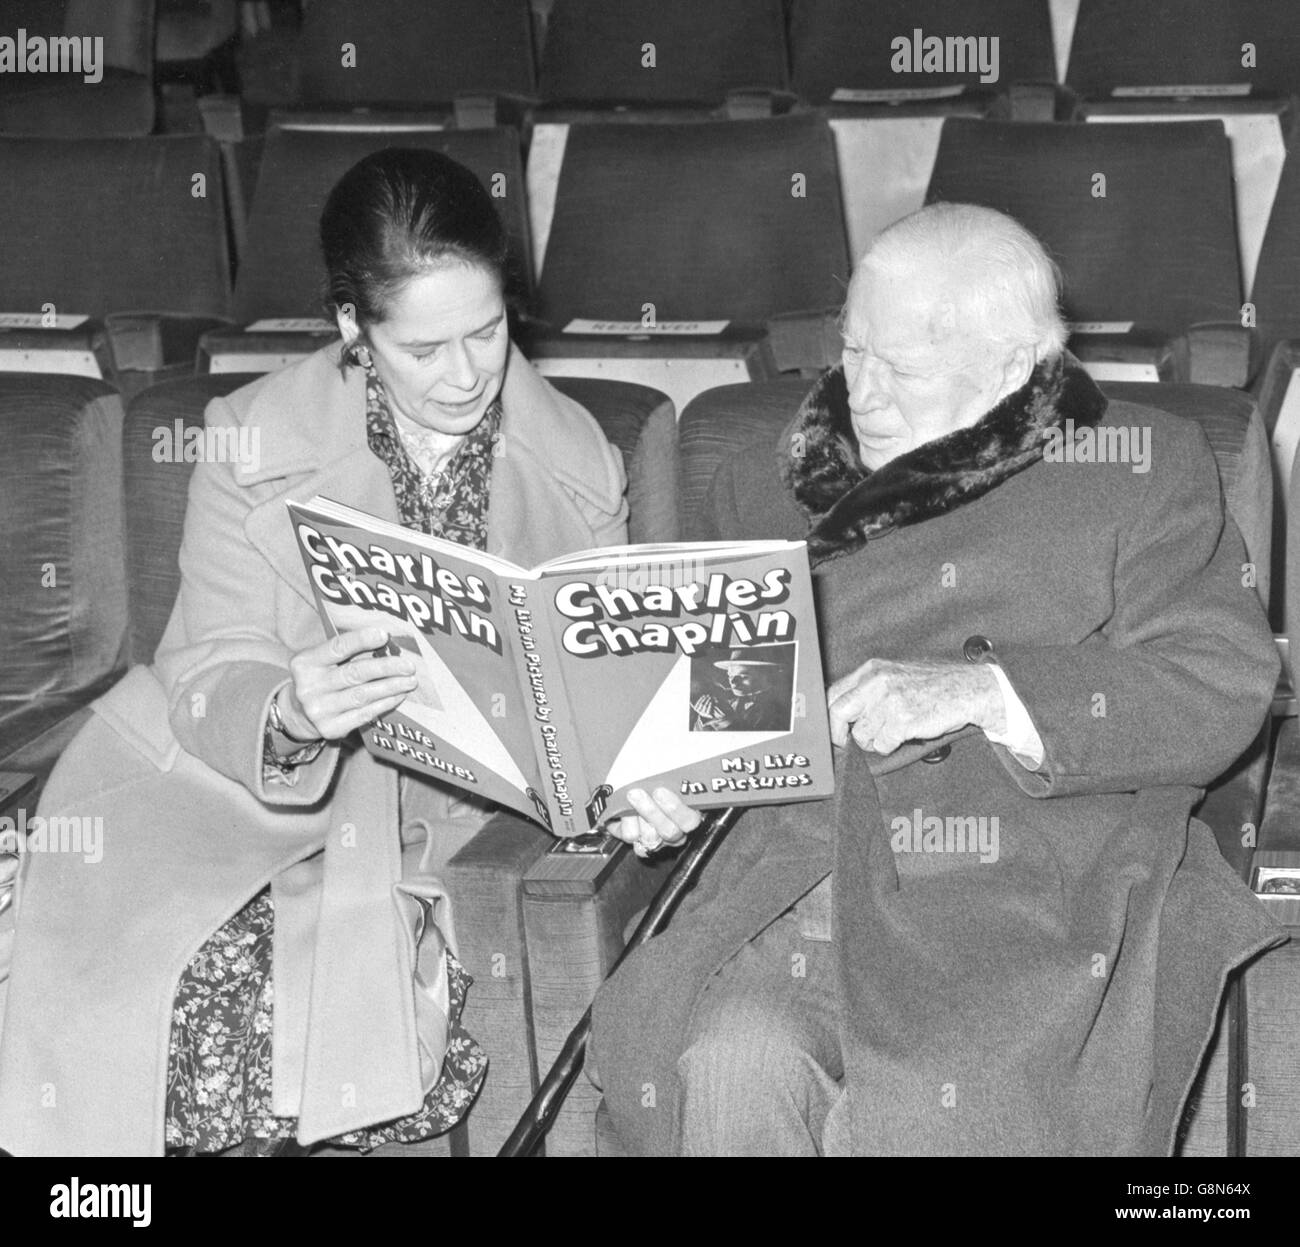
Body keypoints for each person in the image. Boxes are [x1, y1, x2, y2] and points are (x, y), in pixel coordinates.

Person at [596, 202, 1284, 1156]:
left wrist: (983, 691)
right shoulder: (764, 480)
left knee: (931, 1116)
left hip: (1028, 895)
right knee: (725, 1064)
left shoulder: (1139, 466)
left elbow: (1217, 685)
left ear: (1017, 371)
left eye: (903, 371)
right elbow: (720, 698)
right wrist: (668, 781)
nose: (861, 395)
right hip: (806, 881)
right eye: (852, 351)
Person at [0, 148, 628, 1156]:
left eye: (489, 330)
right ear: (351, 327)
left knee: (278, 995)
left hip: (441, 820)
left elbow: (596, 695)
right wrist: (291, 711)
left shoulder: (581, 464)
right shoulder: (249, 435)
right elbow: (211, 662)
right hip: (230, 795)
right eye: (423, 349)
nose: (467, 374)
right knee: (155, 980)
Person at [691, 650, 790, 732]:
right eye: (730, 676)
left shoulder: (781, 708)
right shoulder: (732, 703)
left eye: (743, 676)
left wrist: (725, 721)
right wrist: (706, 717)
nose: (733, 682)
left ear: (766, 676)